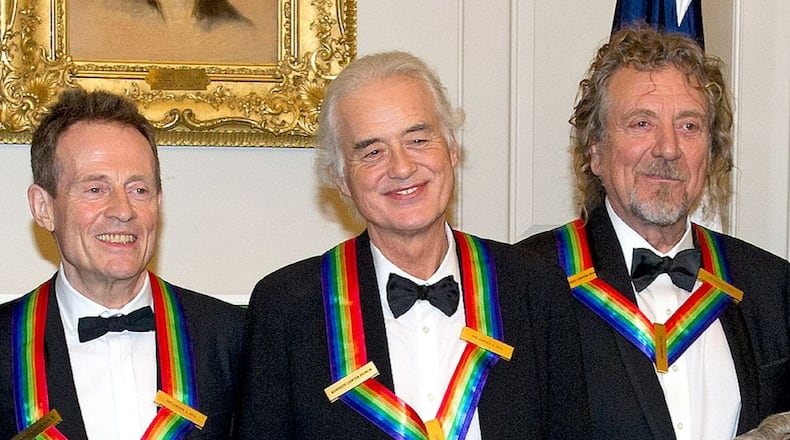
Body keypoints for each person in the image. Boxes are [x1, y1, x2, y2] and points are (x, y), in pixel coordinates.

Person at [234, 51, 570, 439]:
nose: (401, 167)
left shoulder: (533, 286)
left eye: (418, 139)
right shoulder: (288, 307)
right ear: (341, 178)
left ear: (452, 150)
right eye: (372, 151)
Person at [517, 27, 790, 439]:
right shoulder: (524, 283)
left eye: (689, 126)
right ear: (595, 151)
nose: (667, 148)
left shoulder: (771, 285)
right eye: (641, 123)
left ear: (710, 151)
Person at [0, 89, 244, 439]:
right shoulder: (5, 343)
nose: (123, 210)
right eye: (95, 189)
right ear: (43, 207)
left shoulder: (230, 336)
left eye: (139, 190)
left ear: (158, 201)